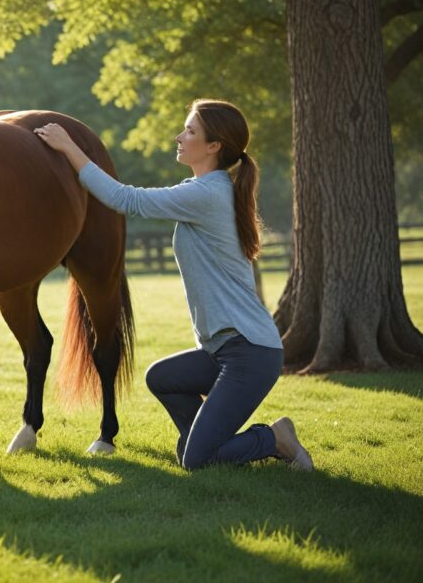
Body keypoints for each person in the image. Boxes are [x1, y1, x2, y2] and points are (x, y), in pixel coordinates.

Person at [34, 99, 312, 471]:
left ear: (214, 146)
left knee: (197, 462)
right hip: (225, 350)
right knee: (162, 378)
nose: (180, 137)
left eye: (190, 131)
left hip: (250, 353)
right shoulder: (204, 189)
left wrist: (70, 148)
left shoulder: (208, 194)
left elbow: (125, 199)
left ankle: (274, 438)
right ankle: (207, 445)